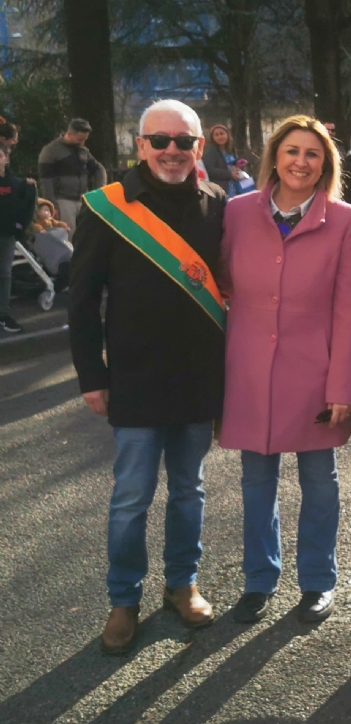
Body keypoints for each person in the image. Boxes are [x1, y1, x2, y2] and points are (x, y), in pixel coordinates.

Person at [68, 100, 226, 654]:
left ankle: (182, 585)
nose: (172, 152)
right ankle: (123, 599)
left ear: (199, 148)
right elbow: (82, 302)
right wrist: (92, 375)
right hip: (134, 378)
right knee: (131, 498)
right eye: (159, 141)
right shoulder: (106, 207)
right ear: (139, 146)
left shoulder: (217, 204)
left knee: (190, 492)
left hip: (198, 379)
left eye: (183, 142)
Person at [218, 116, 351, 625]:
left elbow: (350, 308)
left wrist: (342, 383)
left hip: (315, 372)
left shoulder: (348, 222)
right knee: (256, 480)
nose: (301, 162)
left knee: (319, 481)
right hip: (249, 369)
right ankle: (259, 579)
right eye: (292, 151)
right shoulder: (235, 213)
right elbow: (217, 285)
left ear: (326, 164)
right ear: (274, 157)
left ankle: (318, 581)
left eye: (313, 154)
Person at [38, 118, 106, 232]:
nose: (83, 143)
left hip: (82, 199)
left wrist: (100, 188)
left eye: (85, 140)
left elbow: (99, 169)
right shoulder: (50, 151)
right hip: (63, 200)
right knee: (69, 235)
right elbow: (46, 181)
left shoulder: (83, 151)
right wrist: (52, 205)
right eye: (80, 139)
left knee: (85, 235)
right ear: (69, 134)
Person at [0, 144, 37, 333]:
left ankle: (3, 315)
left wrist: (19, 227)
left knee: (4, 274)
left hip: (5, 235)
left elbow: (26, 205)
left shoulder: (15, 184)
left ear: (6, 159)